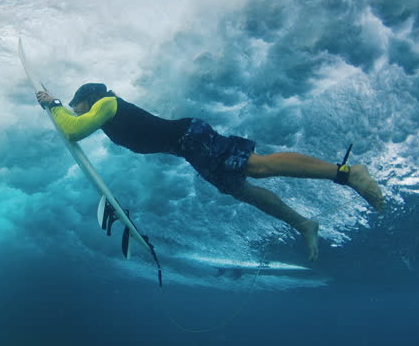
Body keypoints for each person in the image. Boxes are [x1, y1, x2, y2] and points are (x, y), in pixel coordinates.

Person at [36, 83, 385, 261]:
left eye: (74, 105)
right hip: (188, 148)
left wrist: (51, 104)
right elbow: (75, 125)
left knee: (258, 167)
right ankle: (304, 223)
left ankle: (348, 173)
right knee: (243, 190)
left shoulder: (107, 103)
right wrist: (59, 111)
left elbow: (73, 129)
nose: (74, 110)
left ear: (88, 98)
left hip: (191, 137)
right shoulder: (105, 112)